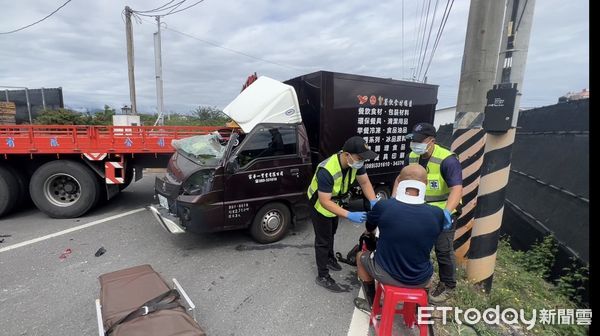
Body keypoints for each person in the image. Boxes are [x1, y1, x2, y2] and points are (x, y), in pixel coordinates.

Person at [354, 164, 445, 311]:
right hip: (421, 279)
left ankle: (371, 305)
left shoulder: (384, 206)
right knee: (427, 268)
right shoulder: (437, 213)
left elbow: (369, 229)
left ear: (399, 181)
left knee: (360, 257)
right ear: (426, 184)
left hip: (387, 274)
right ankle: (417, 309)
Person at [393, 122, 463, 303]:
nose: (414, 144)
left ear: (431, 141)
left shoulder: (447, 160)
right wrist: (394, 201)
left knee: (443, 249)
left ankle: (448, 285)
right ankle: (419, 277)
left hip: (442, 212)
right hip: (419, 210)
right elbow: (400, 179)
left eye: (419, 141)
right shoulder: (412, 157)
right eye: (413, 140)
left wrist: (447, 212)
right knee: (417, 245)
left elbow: (456, 189)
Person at [307, 136, 379, 292]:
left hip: (335, 202)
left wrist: (373, 201)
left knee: (331, 232)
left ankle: (330, 258)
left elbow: (365, 182)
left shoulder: (355, 163)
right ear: (347, 155)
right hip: (320, 205)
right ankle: (322, 275)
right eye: (360, 158)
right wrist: (349, 215)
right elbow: (325, 201)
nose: (362, 162)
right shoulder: (327, 170)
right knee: (323, 239)